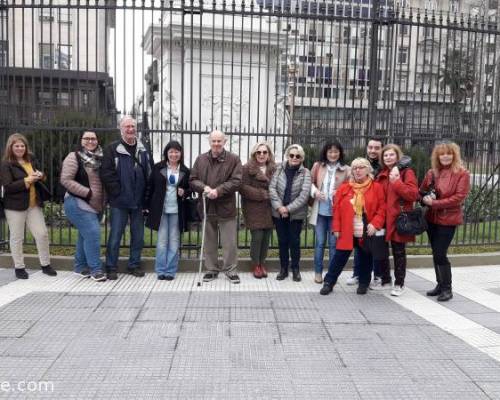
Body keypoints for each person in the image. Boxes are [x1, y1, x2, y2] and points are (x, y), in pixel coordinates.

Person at [320, 157, 386, 296]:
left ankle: (364, 283)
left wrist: (375, 224)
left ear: (368, 170)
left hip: (366, 228)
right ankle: (329, 282)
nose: (358, 170)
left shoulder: (376, 187)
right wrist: (336, 228)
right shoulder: (345, 187)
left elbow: (382, 209)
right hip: (347, 228)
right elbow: (336, 209)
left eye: (361, 167)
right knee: (340, 256)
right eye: (355, 168)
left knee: (365, 256)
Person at [100, 116, 153, 280]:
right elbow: (107, 174)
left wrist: (146, 198)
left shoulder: (144, 149)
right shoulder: (112, 149)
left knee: (138, 237)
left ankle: (134, 265)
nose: (130, 129)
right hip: (119, 202)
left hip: (138, 202)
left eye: (133, 126)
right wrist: (117, 193)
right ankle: (111, 267)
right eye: (127, 127)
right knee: (115, 235)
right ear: (120, 129)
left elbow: (150, 174)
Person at [0, 133, 56, 279]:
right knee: (17, 237)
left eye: (22, 146)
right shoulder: (6, 164)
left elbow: (40, 176)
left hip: (33, 204)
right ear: (11, 147)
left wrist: (40, 175)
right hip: (14, 206)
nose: (20, 148)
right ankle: (19, 267)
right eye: (16, 146)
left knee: (42, 234)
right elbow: (8, 187)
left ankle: (45, 264)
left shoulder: (30, 159)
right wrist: (27, 180)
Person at [189, 130, 242, 283]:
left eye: (220, 141)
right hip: (207, 206)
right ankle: (211, 269)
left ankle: (231, 270)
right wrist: (204, 187)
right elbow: (193, 179)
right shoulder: (200, 159)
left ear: (225, 142)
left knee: (229, 242)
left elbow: (237, 181)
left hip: (226, 207)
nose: (217, 144)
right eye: (214, 141)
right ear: (210, 141)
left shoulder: (234, 159)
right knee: (209, 241)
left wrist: (218, 191)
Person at [420, 141, 470, 302]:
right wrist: (425, 197)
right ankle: (439, 285)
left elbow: (458, 198)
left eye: (449, 153)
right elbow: (421, 192)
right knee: (436, 253)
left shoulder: (462, 173)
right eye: (442, 153)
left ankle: (447, 288)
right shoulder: (431, 172)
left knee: (441, 253)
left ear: (454, 155)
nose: (445, 156)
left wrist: (434, 203)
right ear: (437, 156)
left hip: (448, 219)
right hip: (431, 219)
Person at [60, 131, 106, 282]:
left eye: (93, 138)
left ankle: (80, 267)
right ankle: (96, 269)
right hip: (77, 201)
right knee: (93, 233)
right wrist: (87, 193)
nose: (90, 141)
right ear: (81, 141)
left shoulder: (101, 157)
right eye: (87, 138)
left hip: (96, 204)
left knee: (84, 235)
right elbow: (66, 180)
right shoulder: (74, 157)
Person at [376, 144, 418, 296]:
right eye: (385, 155)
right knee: (381, 251)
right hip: (382, 218)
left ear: (397, 156)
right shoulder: (381, 173)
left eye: (391, 155)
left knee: (399, 252)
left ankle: (399, 283)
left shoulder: (406, 172)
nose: (388, 158)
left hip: (398, 218)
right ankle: (386, 280)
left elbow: (413, 194)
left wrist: (397, 182)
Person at [145, 141, 190, 280]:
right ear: (166, 153)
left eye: (177, 151)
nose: (174, 154)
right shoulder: (158, 167)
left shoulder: (185, 170)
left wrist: (185, 192)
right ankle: (160, 270)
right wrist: (145, 205)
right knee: (162, 241)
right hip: (161, 210)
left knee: (174, 241)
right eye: (171, 151)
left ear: (180, 154)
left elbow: (190, 188)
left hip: (177, 210)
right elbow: (149, 187)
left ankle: (170, 271)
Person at [347, 136, 387, 287]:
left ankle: (377, 275)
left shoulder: (386, 166)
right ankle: (358, 274)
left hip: (379, 209)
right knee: (360, 244)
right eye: (370, 147)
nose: (373, 150)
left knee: (377, 244)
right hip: (362, 210)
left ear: (381, 149)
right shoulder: (361, 164)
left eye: (377, 148)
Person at [309, 140, 350, 284]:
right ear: (325, 152)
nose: (333, 154)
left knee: (334, 245)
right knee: (320, 243)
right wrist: (315, 192)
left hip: (336, 214)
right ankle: (318, 272)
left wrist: (339, 192)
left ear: (340, 153)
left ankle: (332, 274)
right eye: (330, 151)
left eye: (336, 151)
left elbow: (350, 189)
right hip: (320, 211)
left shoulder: (346, 169)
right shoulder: (318, 166)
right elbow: (310, 182)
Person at [269, 144, 311, 282]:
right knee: (282, 241)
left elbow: (304, 195)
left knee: (294, 241)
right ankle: (283, 269)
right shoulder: (278, 169)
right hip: (279, 212)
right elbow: (272, 189)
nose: (294, 158)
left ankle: (295, 269)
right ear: (287, 155)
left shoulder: (305, 173)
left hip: (296, 214)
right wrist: (280, 207)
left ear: (301, 158)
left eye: (297, 156)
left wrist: (288, 209)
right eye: (291, 155)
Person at [240, 141, 276, 279]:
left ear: (269, 154)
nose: (261, 155)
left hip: (270, 208)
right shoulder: (247, 168)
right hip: (253, 208)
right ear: (254, 154)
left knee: (266, 237)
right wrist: (262, 194)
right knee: (257, 237)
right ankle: (255, 264)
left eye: (264, 152)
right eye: (258, 152)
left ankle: (262, 263)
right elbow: (242, 187)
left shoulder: (274, 168)